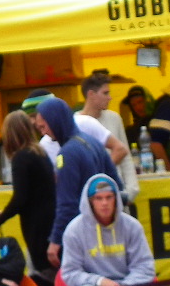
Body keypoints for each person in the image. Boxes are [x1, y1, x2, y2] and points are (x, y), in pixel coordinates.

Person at [38, 96, 120, 268]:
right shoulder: (93, 142)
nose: (43, 133)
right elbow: (116, 185)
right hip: (106, 231)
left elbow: (67, 203)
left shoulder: (67, 154)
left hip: (82, 235)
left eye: (44, 127)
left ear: (55, 121)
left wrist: (55, 240)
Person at [0, 110, 57, 286]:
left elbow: (20, 199)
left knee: (42, 278)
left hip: (37, 227)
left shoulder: (21, 158)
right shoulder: (40, 153)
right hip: (51, 221)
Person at [80, 70, 139, 203]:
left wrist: (131, 189)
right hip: (90, 194)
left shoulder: (114, 118)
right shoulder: (76, 123)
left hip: (117, 189)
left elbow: (126, 155)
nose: (110, 97)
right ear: (91, 94)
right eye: (105, 93)